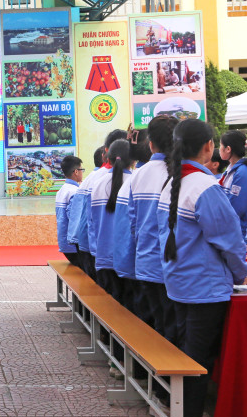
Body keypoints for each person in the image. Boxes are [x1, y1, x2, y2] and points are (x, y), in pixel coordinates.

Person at [159, 119, 247, 417]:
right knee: (198, 358)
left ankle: (178, 413)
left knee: (186, 351)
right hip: (204, 287)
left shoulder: (174, 182)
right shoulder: (205, 187)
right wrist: (241, 274)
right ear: (209, 147)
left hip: (179, 282)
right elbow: (229, 240)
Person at [119, 116, 179, 339]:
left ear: (151, 144)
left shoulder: (139, 175)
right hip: (174, 266)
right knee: (174, 330)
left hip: (146, 263)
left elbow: (133, 222)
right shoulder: (184, 173)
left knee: (157, 326)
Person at [67, 130, 126, 282]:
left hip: (91, 247)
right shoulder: (121, 178)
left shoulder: (95, 177)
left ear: (106, 152)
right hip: (102, 251)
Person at [87, 140, 132, 302]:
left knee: (109, 304)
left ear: (108, 158)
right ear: (132, 160)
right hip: (127, 259)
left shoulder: (97, 184)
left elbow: (91, 221)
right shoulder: (134, 182)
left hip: (103, 256)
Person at [218, 131, 247, 236]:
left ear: (228, 149)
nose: (219, 149)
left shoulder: (242, 173)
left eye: (220, 145)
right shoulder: (231, 170)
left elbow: (236, 209)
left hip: (239, 233)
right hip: (231, 230)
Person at [55, 155, 83, 267]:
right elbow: (75, 220)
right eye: (81, 170)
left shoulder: (62, 190)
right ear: (76, 172)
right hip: (74, 245)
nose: (82, 173)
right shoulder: (75, 192)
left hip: (64, 243)